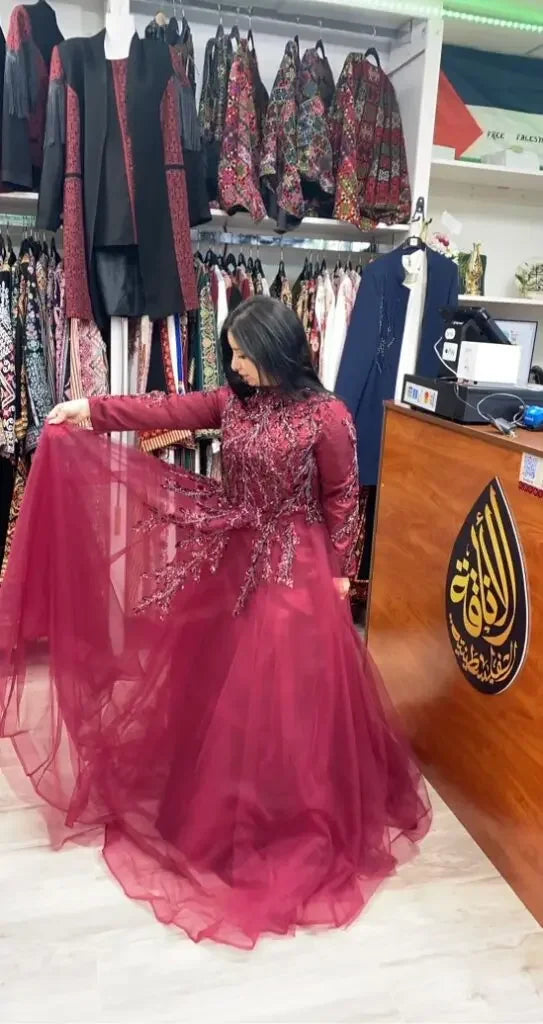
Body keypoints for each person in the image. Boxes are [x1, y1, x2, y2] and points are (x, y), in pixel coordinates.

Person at [0, 296, 430, 948]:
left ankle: (282, 819)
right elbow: (167, 408)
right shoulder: (233, 403)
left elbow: (342, 495)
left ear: (279, 349)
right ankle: (215, 808)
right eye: (229, 352)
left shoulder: (328, 416)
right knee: (216, 686)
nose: (234, 364)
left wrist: (340, 573)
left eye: (242, 352)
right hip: (233, 553)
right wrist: (90, 411)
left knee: (279, 696)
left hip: (296, 568)